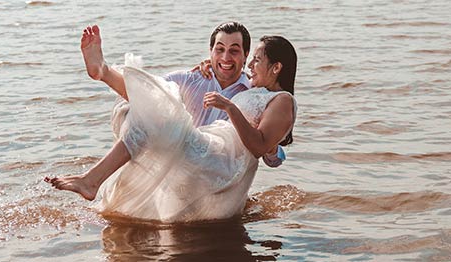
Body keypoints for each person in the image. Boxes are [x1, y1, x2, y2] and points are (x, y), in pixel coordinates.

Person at [45, 34, 298, 223]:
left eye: (256, 60)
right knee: (149, 112)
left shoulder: (282, 100)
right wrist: (207, 67)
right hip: (210, 146)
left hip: (221, 162)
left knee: (156, 115)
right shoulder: (252, 88)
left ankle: (90, 181)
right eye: (219, 50)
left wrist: (229, 108)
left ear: (276, 68)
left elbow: (260, 147)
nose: (250, 65)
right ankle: (103, 72)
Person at [80, 22, 285, 167]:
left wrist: (270, 145)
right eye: (219, 49)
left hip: (219, 173)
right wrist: (106, 73)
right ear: (210, 51)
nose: (225, 57)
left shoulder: (253, 93)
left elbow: (273, 160)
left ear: (246, 54)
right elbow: (146, 93)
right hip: (181, 166)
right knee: (150, 101)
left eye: (234, 51)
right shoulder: (191, 78)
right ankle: (103, 71)